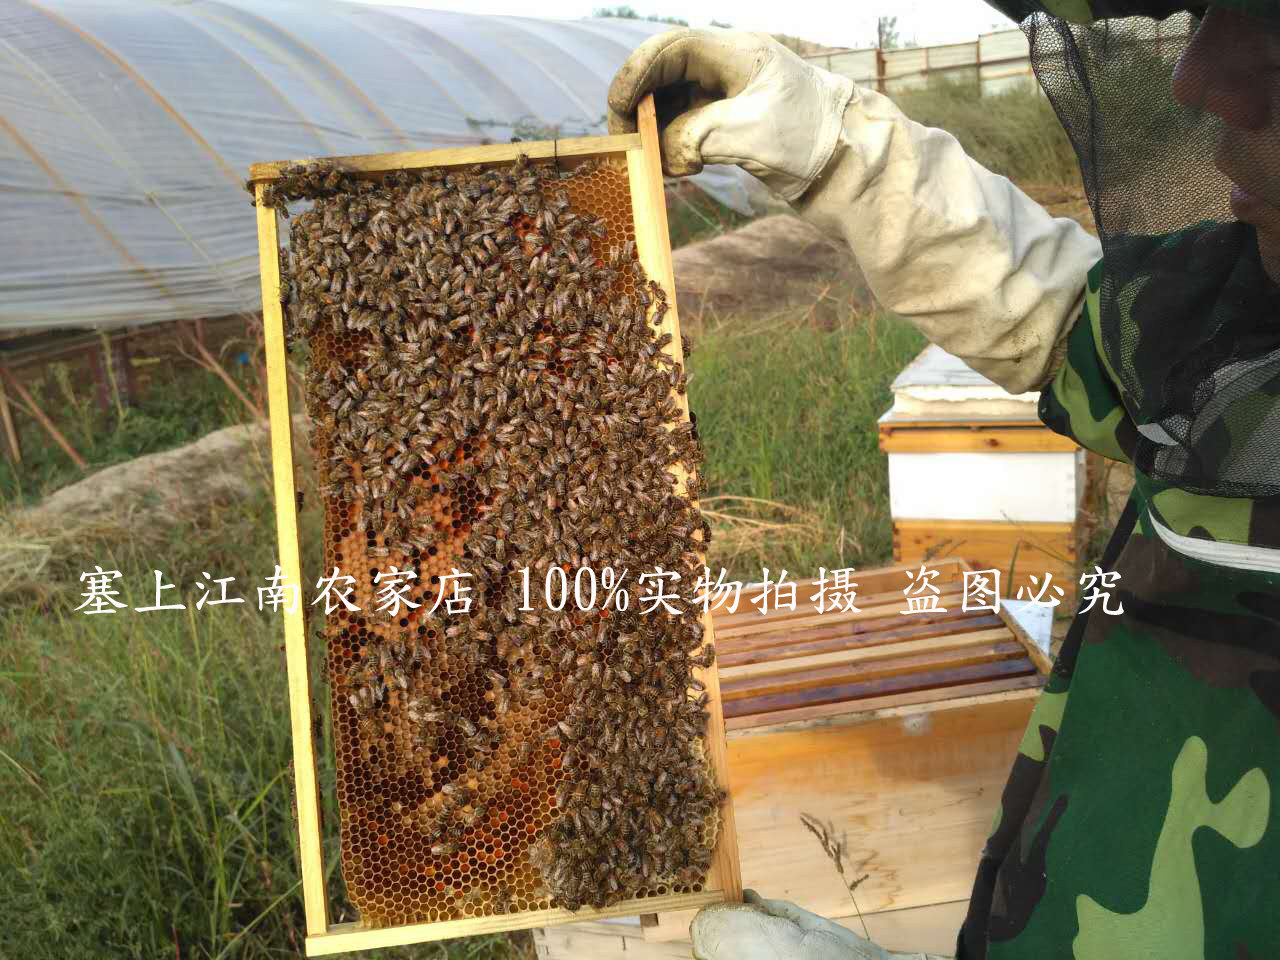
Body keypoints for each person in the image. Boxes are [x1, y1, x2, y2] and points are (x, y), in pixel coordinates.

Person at [607, 3, 1280, 958]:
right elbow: (1071, 324)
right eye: (1210, 9)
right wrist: (837, 147)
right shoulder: (1242, 334)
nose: (1201, 77)